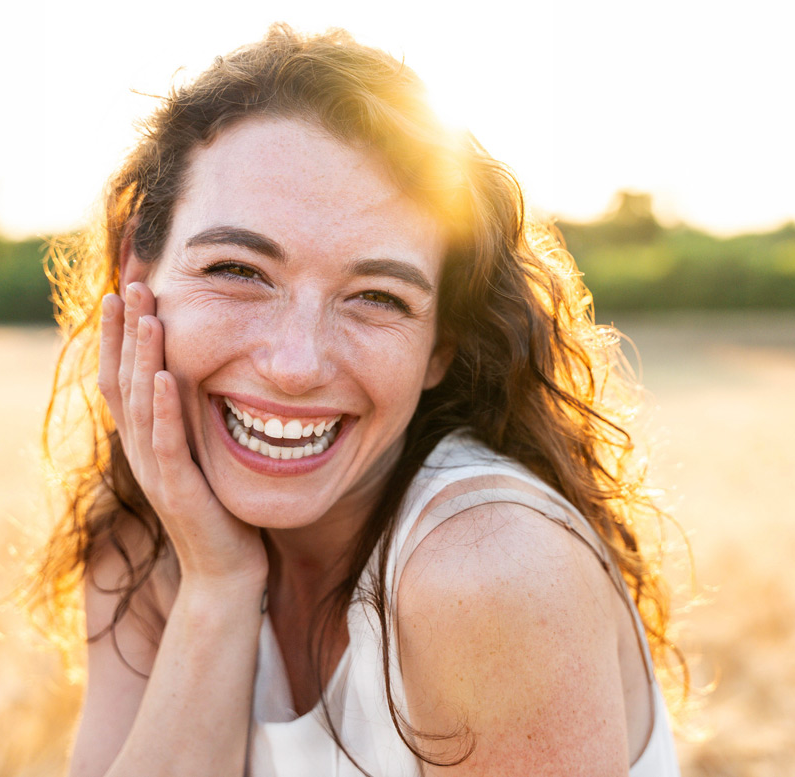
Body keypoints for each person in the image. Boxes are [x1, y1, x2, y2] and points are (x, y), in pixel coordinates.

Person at [37, 24, 684, 776]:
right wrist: (218, 583)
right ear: (138, 274)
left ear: (440, 343)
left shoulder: (487, 571)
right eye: (239, 270)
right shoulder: (145, 539)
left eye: (377, 295)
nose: (296, 363)